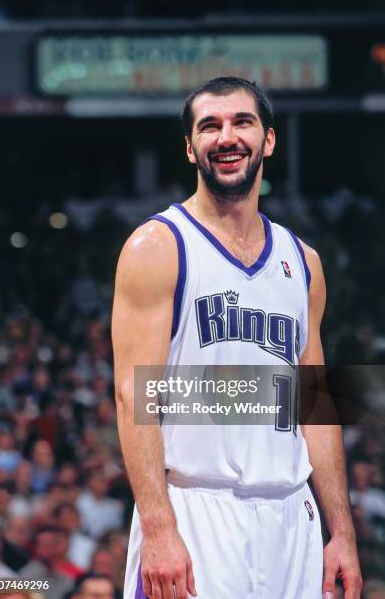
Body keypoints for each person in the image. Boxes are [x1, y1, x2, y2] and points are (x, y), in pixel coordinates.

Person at [112, 77, 362, 598]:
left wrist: (341, 531)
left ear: (268, 139)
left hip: (293, 514)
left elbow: (315, 404)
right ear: (190, 147)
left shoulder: (304, 262)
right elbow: (134, 395)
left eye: (242, 122)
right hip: (196, 509)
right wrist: (159, 528)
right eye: (210, 126)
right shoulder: (157, 247)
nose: (227, 137)